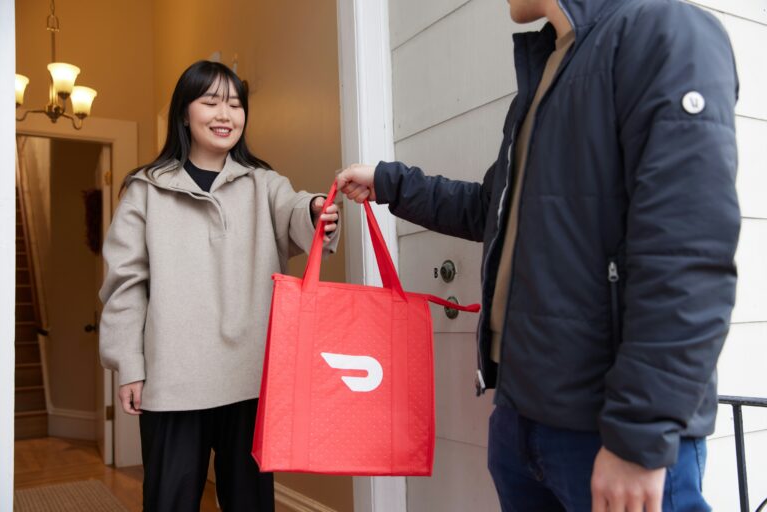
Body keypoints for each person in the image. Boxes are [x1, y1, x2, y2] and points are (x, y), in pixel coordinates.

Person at [337, 0, 739, 510]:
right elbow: (490, 209)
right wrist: (389, 182)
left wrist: (640, 436)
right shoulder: (548, 67)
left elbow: (688, 253)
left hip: (611, 432)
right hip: (519, 420)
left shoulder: (665, 32)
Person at [99, 60, 340, 512]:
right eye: (210, 102)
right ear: (184, 113)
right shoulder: (145, 189)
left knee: (250, 503)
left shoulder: (264, 183)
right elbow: (125, 284)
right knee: (169, 502)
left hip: (250, 378)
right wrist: (129, 364)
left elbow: (294, 210)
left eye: (235, 104)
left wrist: (313, 210)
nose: (225, 114)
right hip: (172, 382)